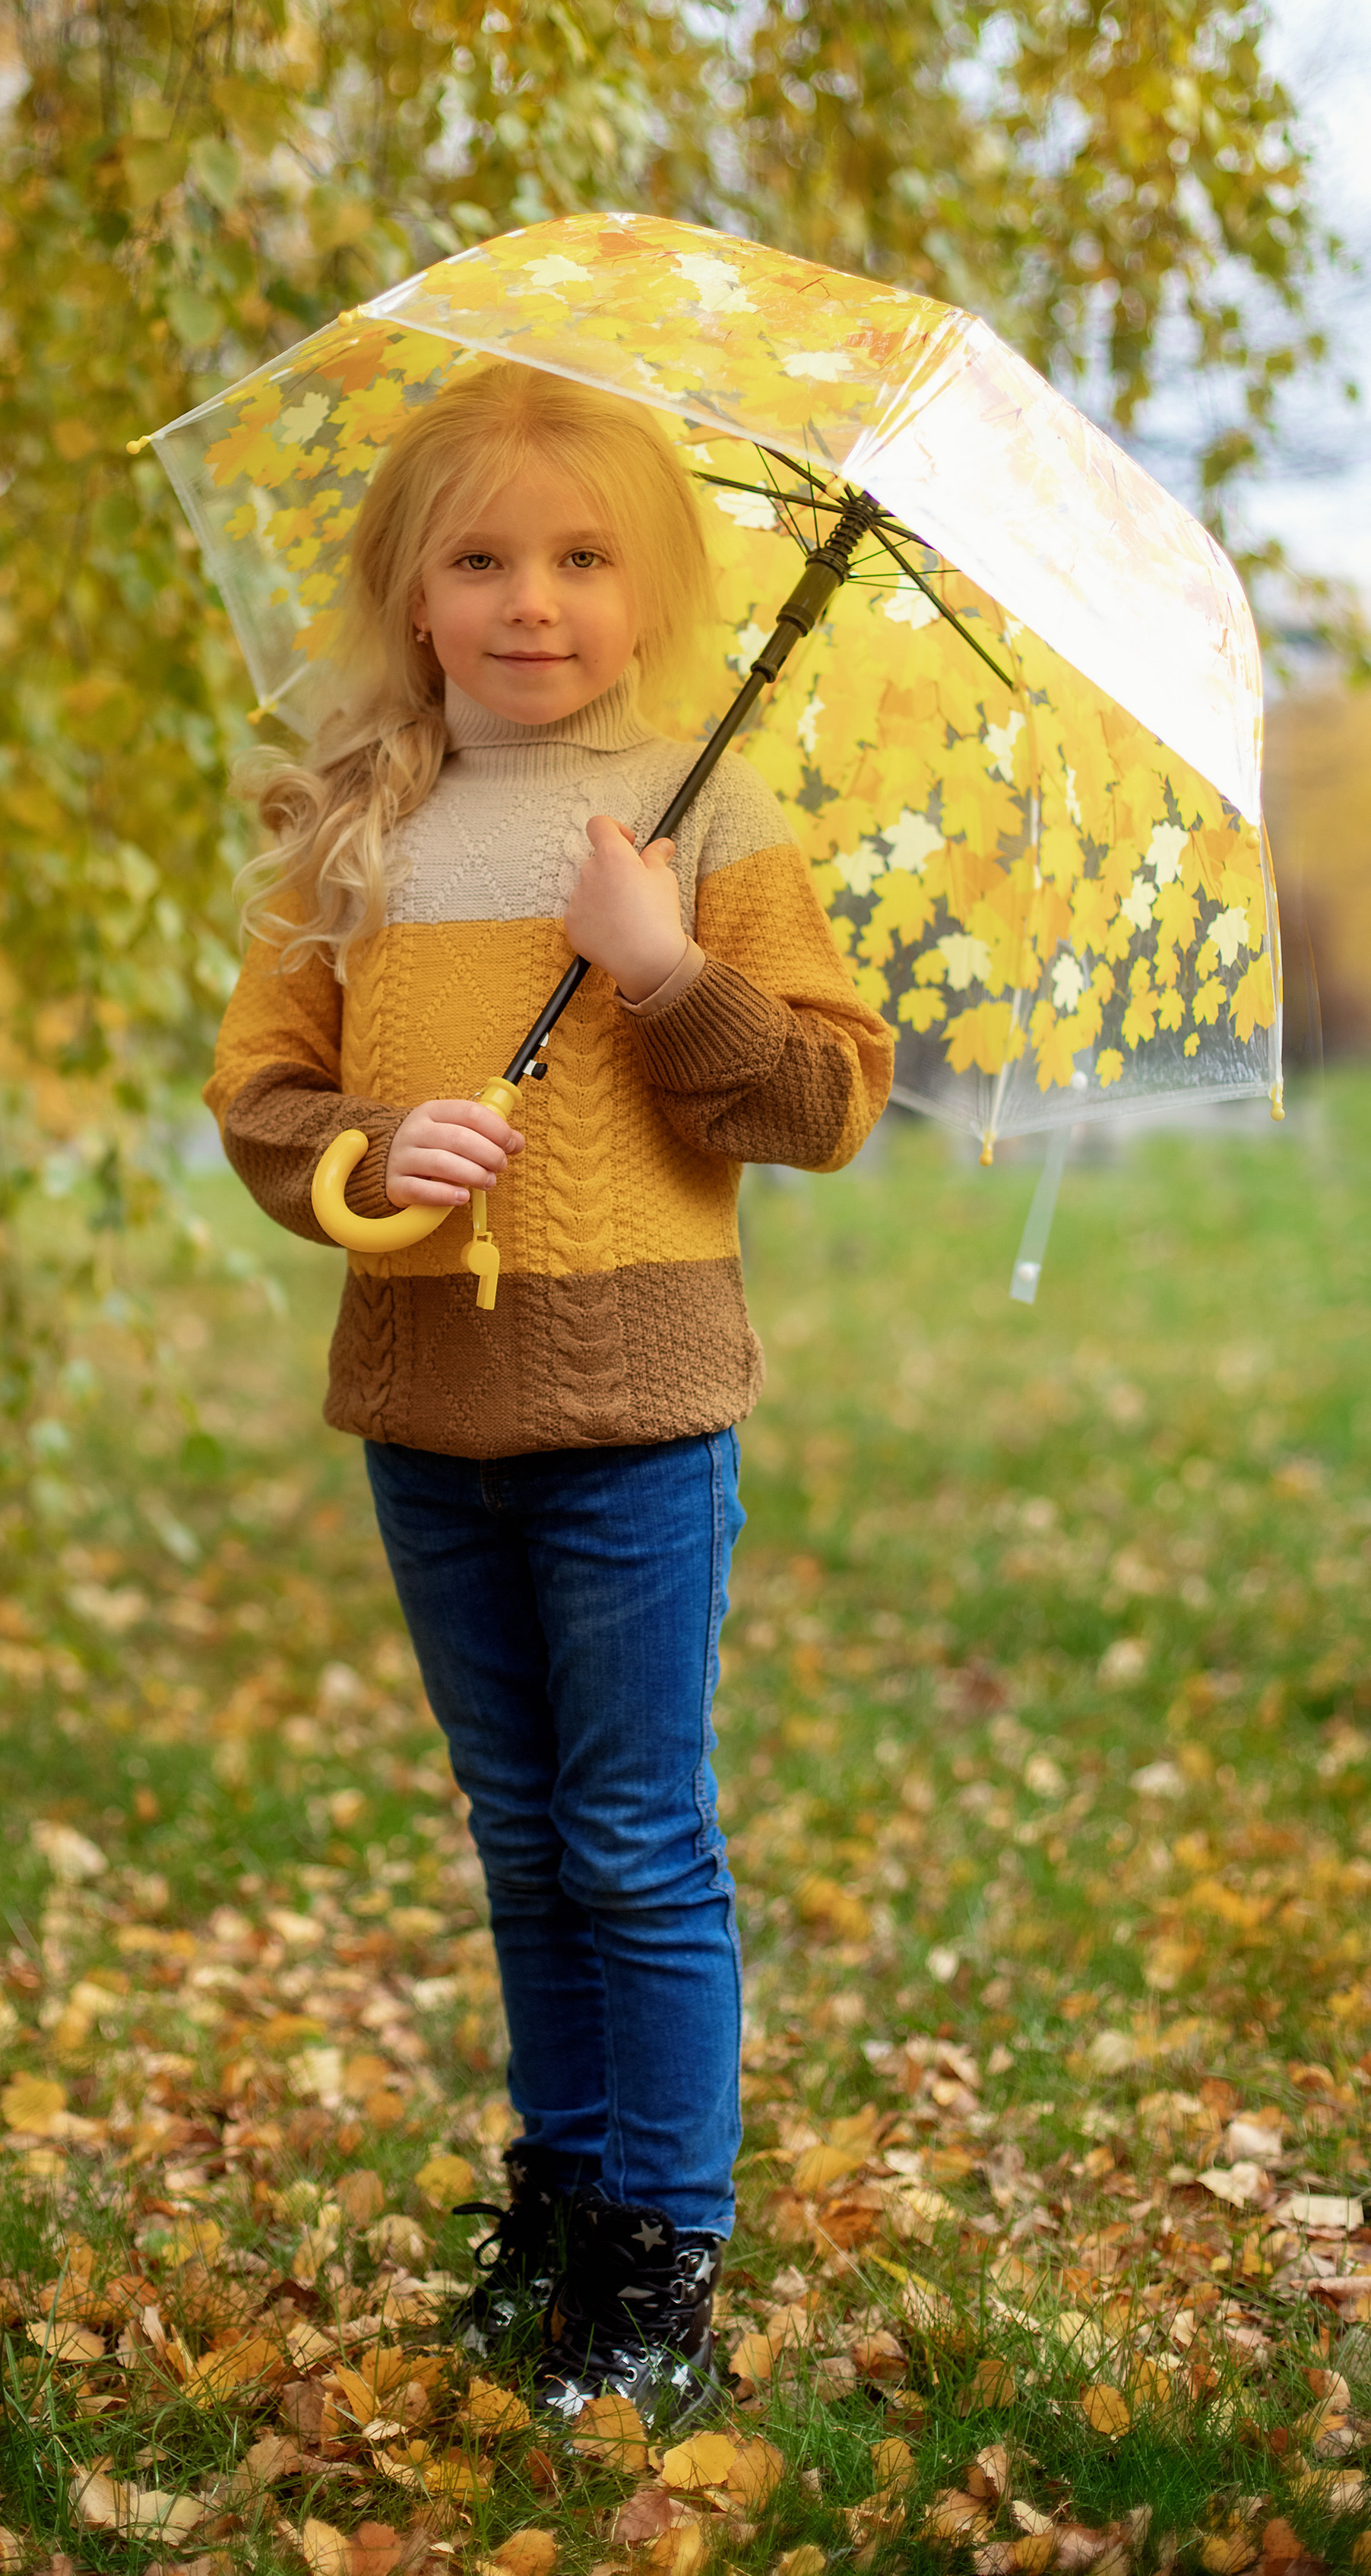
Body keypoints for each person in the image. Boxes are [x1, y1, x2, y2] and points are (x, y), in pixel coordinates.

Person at [204, 361, 892, 2428]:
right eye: (482, 558)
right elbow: (261, 1103)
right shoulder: (359, 825)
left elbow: (829, 1100)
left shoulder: (709, 813)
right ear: (410, 594)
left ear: (652, 586)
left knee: (633, 1839)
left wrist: (666, 967)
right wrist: (370, 1155)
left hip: (638, 1417)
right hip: (428, 1406)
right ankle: (568, 2192)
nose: (533, 600)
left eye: (585, 558)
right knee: (522, 1837)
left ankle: (664, 2254)